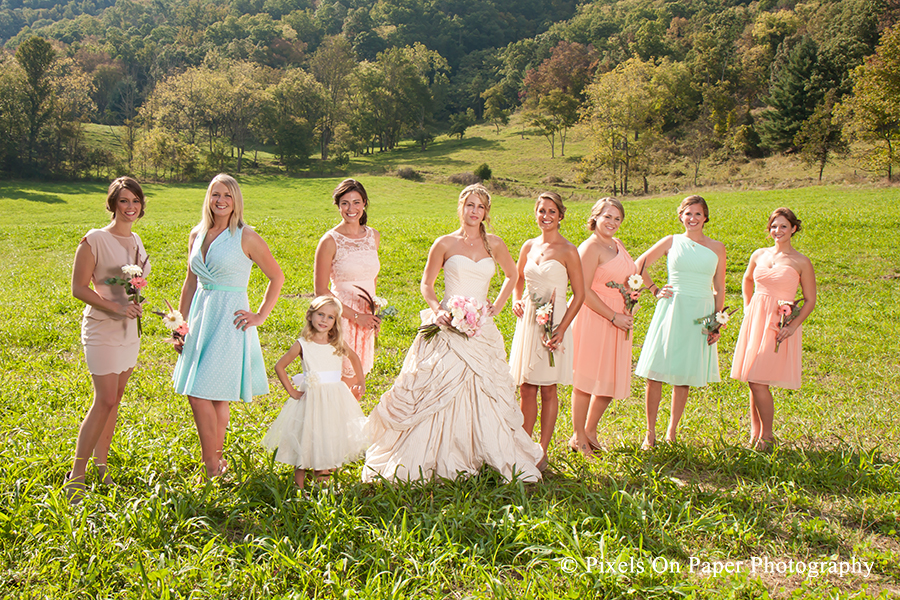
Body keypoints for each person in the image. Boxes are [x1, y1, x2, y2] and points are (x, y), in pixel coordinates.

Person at [363, 184, 545, 483]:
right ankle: (431, 453)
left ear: (486, 212)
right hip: (448, 325)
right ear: (461, 207)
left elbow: (514, 275)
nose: (475, 212)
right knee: (436, 385)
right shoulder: (444, 243)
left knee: (486, 389)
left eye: (481, 207)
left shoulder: (494, 244)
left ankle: (484, 451)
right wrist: (438, 310)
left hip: (480, 327)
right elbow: (427, 283)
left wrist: (496, 307)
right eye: (470, 205)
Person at [172, 174, 284, 479]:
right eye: (215, 195)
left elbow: (277, 276)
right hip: (200, 317)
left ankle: (210, 464)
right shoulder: (196, 234)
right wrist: (179, 324)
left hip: (230, 319)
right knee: (215, 395)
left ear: (236, 201)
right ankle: (217, 466)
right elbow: (190, 281)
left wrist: (260, 315)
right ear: (208, 198)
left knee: (199, 394)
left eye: (227, 196)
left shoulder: (245, 236)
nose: (220, 201)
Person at [64, 177, 150, 502]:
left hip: (129, 331)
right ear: (113, 204)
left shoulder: (137, 240)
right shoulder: (94, 240)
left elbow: (135, 283)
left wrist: (135, 304)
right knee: (104, 400)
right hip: (102, 327)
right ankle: (77, 474)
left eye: (135, 201)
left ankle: (102, 465)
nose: (130, 207)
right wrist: (115, 306)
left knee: (116, 398)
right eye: (124, 201)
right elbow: (79, 288)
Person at [634, 195, 726, 449]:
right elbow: (639, 264)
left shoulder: (717, 247)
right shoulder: (671, 241)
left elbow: (720, 286)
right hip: (673, 308)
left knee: (684, 374)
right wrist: (653, 289)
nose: (693, 218)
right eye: (688, 213)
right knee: (656, 371)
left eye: (698, 214)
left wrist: (716, 321)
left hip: (701, 310)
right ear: (680, 216)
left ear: (705, 217)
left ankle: (671, 431)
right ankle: (650, 432)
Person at [730, 208, 816, 451]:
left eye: (784, 227)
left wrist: (793, 326)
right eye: (774, 226)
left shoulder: (801, 261)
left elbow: (810, 300)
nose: (778, 231)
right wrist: (748, 307)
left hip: (778, 323)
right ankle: (754, 433)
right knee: (753, 378)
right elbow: (747, 280)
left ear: (794, 229)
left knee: (758, 380)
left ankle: (767, 437)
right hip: (755, 319)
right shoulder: (758, 254)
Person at [261, 296, 369, 488]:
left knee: (329, 434)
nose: (324, 320)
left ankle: (324, 476)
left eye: (330, 317)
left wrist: (360, 380)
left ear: (335, 322)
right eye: (320, 314)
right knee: (308, 435)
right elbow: (280, 367)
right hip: (312, 400)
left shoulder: (336, 343)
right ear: (310, 316)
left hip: (334, 398)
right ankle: (300, 489)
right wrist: (292, 392)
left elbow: (354, 358)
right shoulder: (303, 344)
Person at [509, 192, 584, 461]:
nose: (546, 216)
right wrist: (517, 300)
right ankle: (523, 447)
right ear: (535, 213)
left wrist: (562, 328)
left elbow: (580, 293)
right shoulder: (528, 246)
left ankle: (542, 451)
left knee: (548, 388)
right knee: (526, 386)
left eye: (552, 211)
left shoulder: (568, 250)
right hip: (529, 321)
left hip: (555, 322)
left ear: (560, 216)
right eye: (542, 211)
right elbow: (518, 279)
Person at [569, 198, 638, 457]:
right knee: (586, 380)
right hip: (595, 316)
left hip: (619, 318)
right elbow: (582, 290)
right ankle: (578, 436)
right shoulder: (590, 247)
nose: (612, 222)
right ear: (595, 217)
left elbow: (624, 276)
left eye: (617, 218)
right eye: (607, 216)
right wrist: (613, 316)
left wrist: (630, 296)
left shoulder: (617, 244)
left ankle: (590, 430)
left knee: (609, 381)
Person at [313, 179, 380, 395]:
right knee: (340, 385)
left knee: (358, 387)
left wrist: (372, 313)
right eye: (345, 203)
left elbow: (373, 277)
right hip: (341, 317)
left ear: (364, 203)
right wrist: (354, 316)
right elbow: (321, 289)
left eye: (356, 202)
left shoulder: (373, 236)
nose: (351, 209)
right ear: (338, 206)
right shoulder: (330, 240)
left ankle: (350, 429)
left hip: (366, 317)